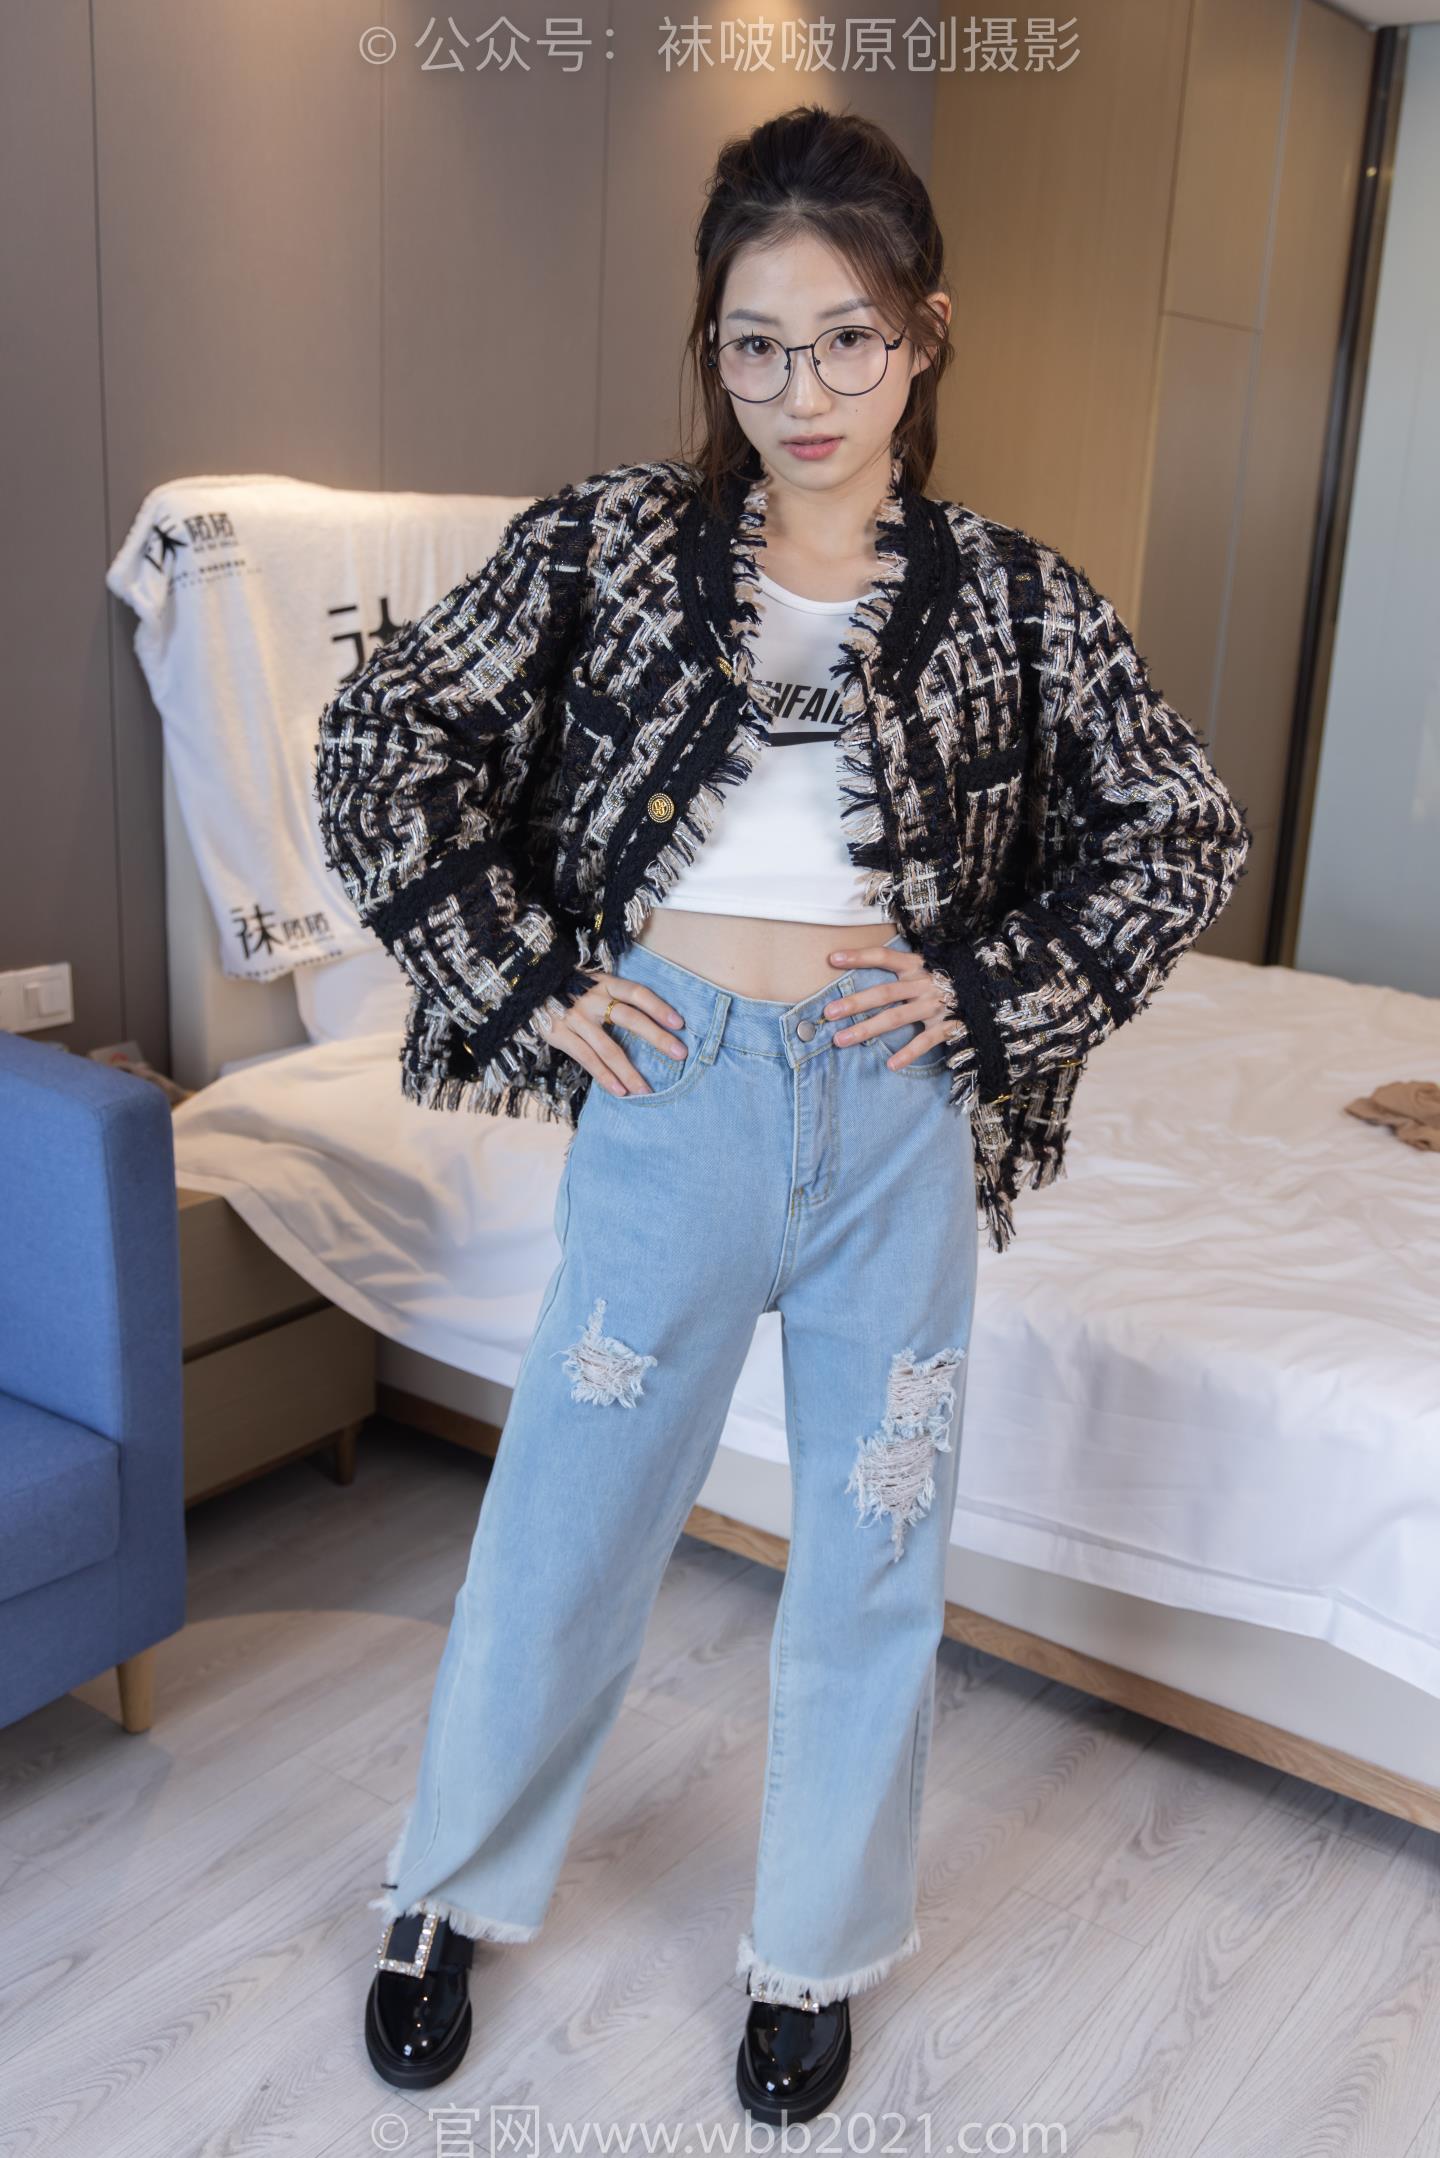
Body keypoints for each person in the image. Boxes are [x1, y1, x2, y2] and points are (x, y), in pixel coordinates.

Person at [313, 105, 1251, 2120]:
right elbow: (385, 739)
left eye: (845, 339)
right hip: (674, 1094)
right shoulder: (606, 546)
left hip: (895, 1119)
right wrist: (532, 981)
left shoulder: (1019, 599)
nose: (800, 391)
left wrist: (986, 990)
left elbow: (1182, 829)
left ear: (923, 337)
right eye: (755, 343)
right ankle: (445, 1891)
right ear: (712, 346)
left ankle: (811, 1948)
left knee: (870, 1547)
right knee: (563, 1525)